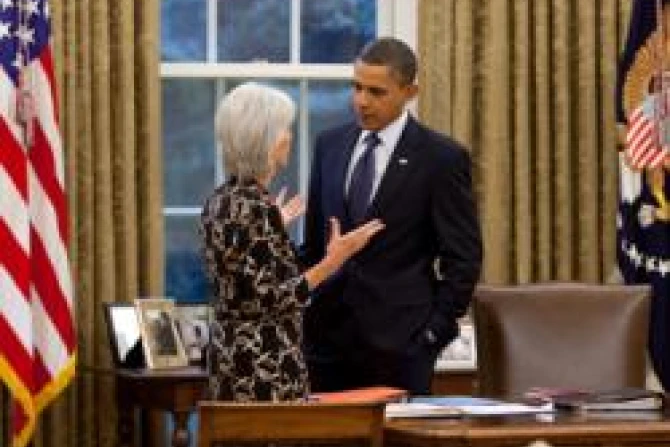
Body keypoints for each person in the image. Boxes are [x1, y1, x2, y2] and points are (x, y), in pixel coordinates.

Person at [302, 37, 483, 394]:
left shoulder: (440, 158)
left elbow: (463, 258)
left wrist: (433, 334)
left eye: (376, 91)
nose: (361, 101)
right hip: (325, 347)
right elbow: (313, 246)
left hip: (402, 349)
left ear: (409, 91)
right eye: (356, 87)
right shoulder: (329, 146)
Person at [199, 82, 384, 402]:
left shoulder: (221, 200)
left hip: (230, 358)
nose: (289, 136)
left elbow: (241, 273)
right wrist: (332, 261)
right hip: (263, 366)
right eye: (284, 128)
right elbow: (270, 298)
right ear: (265, 139)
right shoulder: (256, 207)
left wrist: (275, 229)